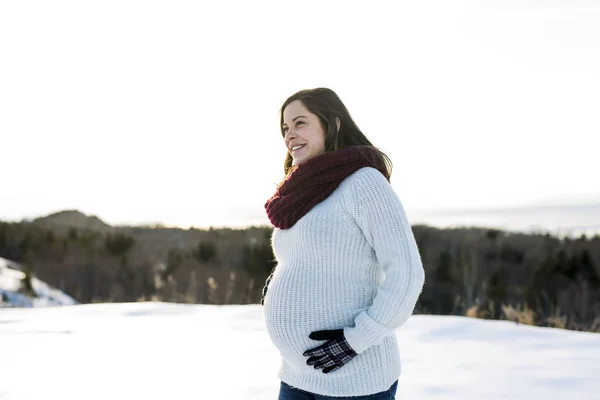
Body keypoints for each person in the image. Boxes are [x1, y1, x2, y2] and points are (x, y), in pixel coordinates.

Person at [262, 87, 425, 399]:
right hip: (297, 375)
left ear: (333, 124)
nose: (289, 135)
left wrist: (355, 341)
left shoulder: (363, 182)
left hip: (355, 381)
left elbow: (406, 273)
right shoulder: (302, 191)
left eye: (300, 123)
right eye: (285, 128)